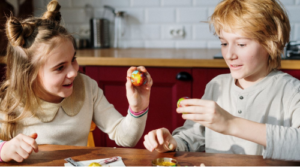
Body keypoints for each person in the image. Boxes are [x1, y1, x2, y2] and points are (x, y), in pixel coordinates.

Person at [143, 0, 300, 160]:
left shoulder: (292, 91)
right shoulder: (217, 85)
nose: (229, 54)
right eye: (224, 43)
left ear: (270, 43)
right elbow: (194, 137)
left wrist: (230, 123)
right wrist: (172, 143)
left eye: (241, 44)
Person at [0, 0, 153, 163]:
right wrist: (4, 150)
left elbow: (125, 138)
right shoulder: (9, 100)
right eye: (60, 68)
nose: (74, 72)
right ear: (29, 74)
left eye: (73, 59)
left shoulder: (87, 87)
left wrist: (138, 108)